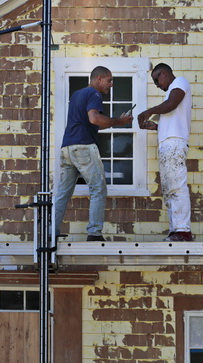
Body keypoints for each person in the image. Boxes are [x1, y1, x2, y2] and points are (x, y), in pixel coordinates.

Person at [54, 66, 132, 241]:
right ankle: (94, 233)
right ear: (98, 79)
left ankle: (51, 231)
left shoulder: (76, 94)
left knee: (62, 193)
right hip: (83, 147)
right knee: (98, 189)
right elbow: (94, 119)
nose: (111, 85)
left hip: (67, 148)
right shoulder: (94, 94)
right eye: (109, 80)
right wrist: (119, 121)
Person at [137, 63, 194, 242]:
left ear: (164, 73)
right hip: (167, 144)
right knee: (169, 189)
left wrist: (148, 112)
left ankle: (183, 230)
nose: (157, 85)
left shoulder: (180, 83)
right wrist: (155, 126)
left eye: (156, 80)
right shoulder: (172, 91)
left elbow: (171, 104)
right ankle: (175, 229)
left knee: (177, 185)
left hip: (174, 143)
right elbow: (171, 117)